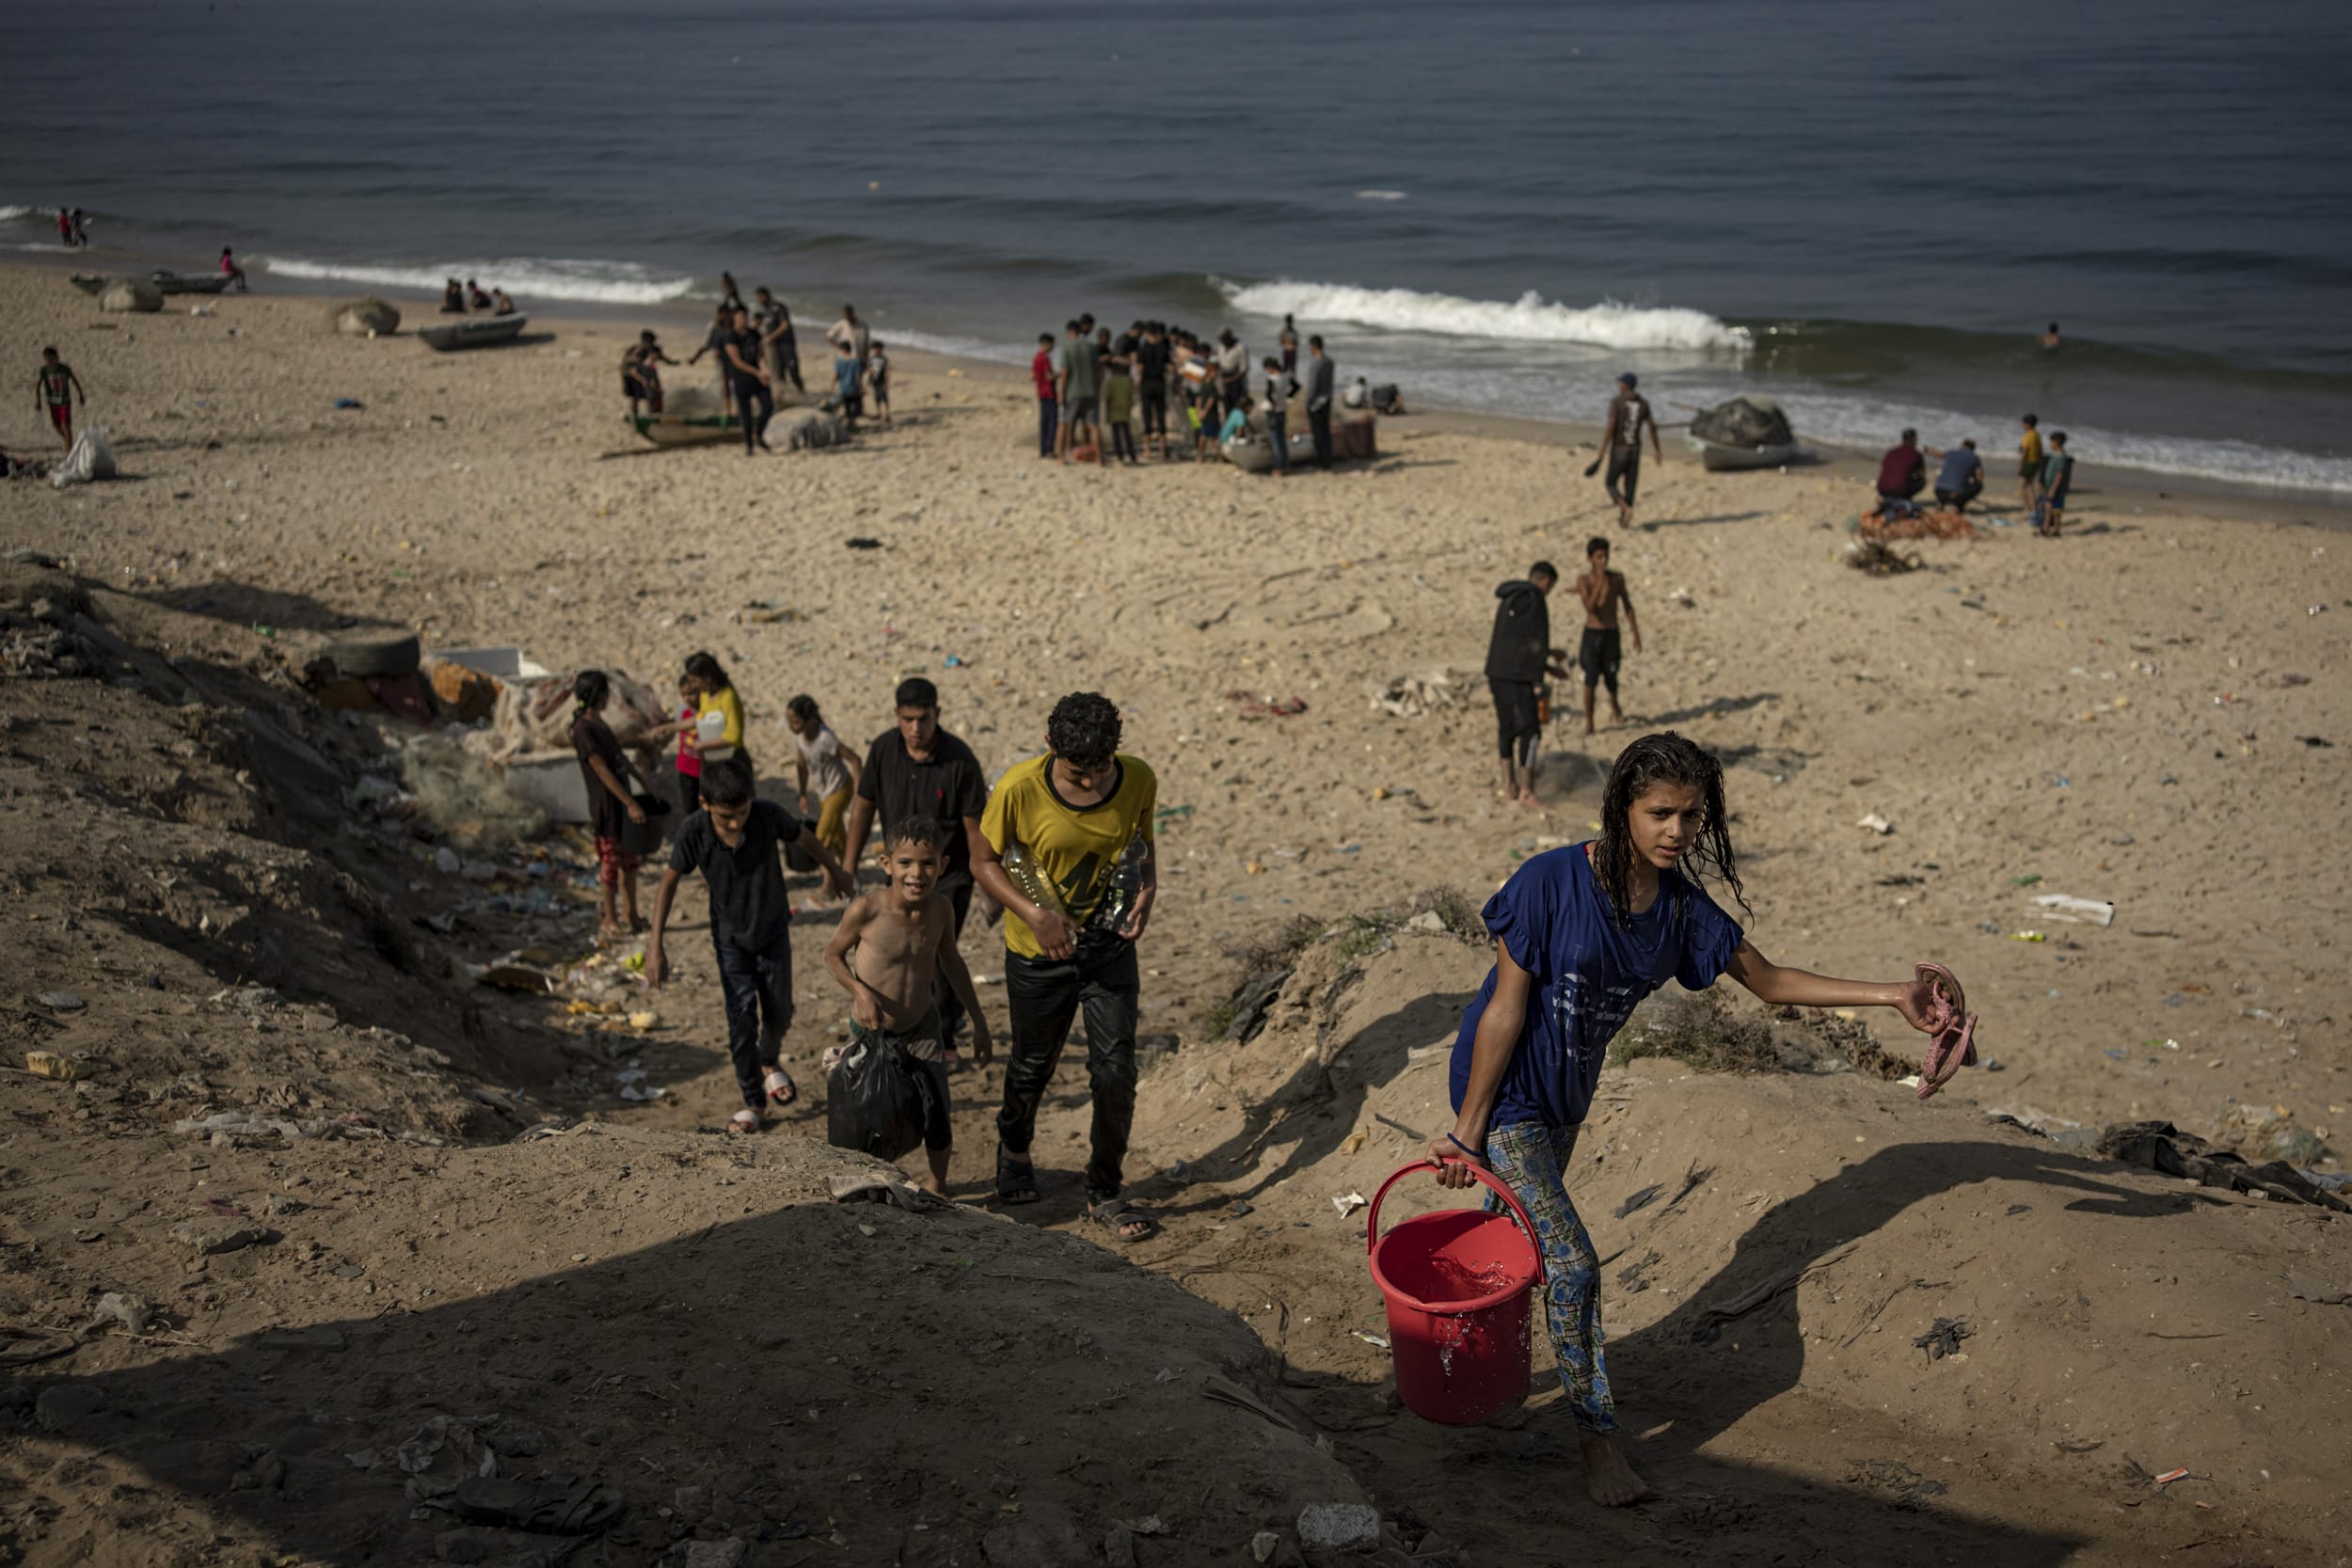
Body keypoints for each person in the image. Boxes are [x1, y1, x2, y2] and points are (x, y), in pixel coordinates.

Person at [1434, 732, 1975, 1506]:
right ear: (1622, 808)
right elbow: (1503, 1010)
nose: (1676, 831)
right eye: (1660, 812)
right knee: (1574, 1264)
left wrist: (1893, 995)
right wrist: (1468, 1126)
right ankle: (1596, 1442)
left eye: (1691, 816)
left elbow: (1773, 982)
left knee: (1512, 1243)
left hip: (1565, 1094)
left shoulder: (1682, 912)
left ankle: (1447, 1381)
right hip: (1504, 1088)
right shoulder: (1547, 883)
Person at [971, 692, 1158, 1239]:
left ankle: (1104, 1188)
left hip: (1109, 950)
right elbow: (982, 861)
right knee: (1032, 1065)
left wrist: (1148, 889)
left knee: (1116, 1069)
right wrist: (1034, 916)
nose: (1090, 784)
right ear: (1050, 747)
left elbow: (1142, 845)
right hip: (1039, 953)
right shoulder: (1017, 788)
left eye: (1101, 771)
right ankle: (1014, 1145)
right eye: (1079, 774)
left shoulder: (1139, 780)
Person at [646, 758, 850, 1134]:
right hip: (730, 941)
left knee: (780, 1009)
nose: (735, 823)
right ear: (706, 804)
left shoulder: (767, 815)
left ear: (752, 801)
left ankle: (769, 1060)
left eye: (741, 812)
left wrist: (835, 870)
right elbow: (668, 882)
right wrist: (654, 945)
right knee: (740, 1018)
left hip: (773, 931)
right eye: (726, 817)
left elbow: (803, 838)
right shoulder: (694, 832)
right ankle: (753, 1099)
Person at [822, 817, 995, 1193]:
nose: (917, 874)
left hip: (922, 1029)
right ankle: (864, 1180)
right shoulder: (866, 911)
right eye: (906, 863)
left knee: (935, 1109)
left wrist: (978, 1021)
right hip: (870, 1032)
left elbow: (952, 962)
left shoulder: (941, 911)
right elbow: (833, 956)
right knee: (866, 1112)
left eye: (928, 863)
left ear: (943, 866)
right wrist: (859, 992)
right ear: (887, 864)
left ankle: (938, 1183)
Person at [841, 676, 993, 1053]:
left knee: (940, 951)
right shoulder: (883, 750)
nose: (915, 728)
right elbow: (862, 807)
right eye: (907, 719)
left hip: (947, 872)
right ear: (896, 715)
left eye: (923, 719)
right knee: (893, 947)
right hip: (900, 870)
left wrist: (988, 879)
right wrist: (847, 866)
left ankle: (944, 1030)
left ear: (937, 715)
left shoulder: (960, 760)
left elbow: (975, 827)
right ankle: (894, 1022)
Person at [569, 671, 650, 945]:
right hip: (607, 805)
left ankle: (631, 914)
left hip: (621, 801)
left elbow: (618, 759)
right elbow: (602, 771)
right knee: (610, 864)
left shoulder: (598, 723)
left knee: (630, 862)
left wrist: (641, 784)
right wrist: (629, 803)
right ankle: (610, 919)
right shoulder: (583, 729)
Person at [1486, 562, 1564, 810]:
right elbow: (1535, 642)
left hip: (1497, 672)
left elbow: (1518, 641)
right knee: (1530, 732)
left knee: (1506, 728)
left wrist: (1549, 660)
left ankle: (1509, 786)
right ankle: (1527, 792)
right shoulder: (1536, 598)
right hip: (1518, 676)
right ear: (1546, 582)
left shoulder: (1511, 597)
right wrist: (1541, 678)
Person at [785, 693, 863, 866]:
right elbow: (802, 766)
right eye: (789, 722)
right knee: (838, 835)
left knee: (822, 835)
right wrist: (803, 793)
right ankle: (848, 869)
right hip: (823, 793)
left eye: (796, 722)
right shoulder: (800, 739)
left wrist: (859, 794)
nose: (792, 727)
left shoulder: (825, 738)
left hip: (840, 788)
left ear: (811, 720)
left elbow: (855, 760)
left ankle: (829, 878)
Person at [1576, 536, 1642, 736]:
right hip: (1592, 634)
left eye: (1606, 556)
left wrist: (1635, 632)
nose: (1603, 560)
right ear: (1590, 559)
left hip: (1611, 633)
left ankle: (1616, 709)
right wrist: (1599, 582)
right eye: (1599, 557)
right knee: (1590, 679)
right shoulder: (1584, 581)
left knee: (1612, 676)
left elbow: (1627, 605)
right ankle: (1589, 721)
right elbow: (1590, 608)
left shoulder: (1617, 579)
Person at [1593, 373, 1661, 528]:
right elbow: (1652, 427)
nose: (1619, 386)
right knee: (1630, 487)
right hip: (1635, 450)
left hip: (1619, 450)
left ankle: (1625, 508)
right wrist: (1657, 450)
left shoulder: (1617, 402)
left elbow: (1611, 426)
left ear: (1625, 385)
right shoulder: (1643, 404)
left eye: (1620, 383)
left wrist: (1603, 449)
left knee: (1610, 483)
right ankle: (1624, 520)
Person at [680, 651, 748, 772]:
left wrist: (702, 745)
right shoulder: (705, 694)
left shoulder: (728, 698)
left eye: (694, 681)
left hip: (731, 762)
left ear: (707, 679)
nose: (692, 686)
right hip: (712, 760)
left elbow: (733, 737)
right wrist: (671, 727)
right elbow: (701, 718)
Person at [722, 306, 773, 454]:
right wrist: (757, 372)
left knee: (767, 406)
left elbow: (760, 354)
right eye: (741, 317)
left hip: (758, 377)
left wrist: (764, 369)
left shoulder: (754, 334)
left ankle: (759, 434)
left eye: (745, 316)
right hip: (742, 378)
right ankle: (749, 446)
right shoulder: (730, 336)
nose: (744, 320)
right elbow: (736, 361)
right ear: (734, 318)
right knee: (746, 413)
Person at [1057, 320, 1102, 465]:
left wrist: (1061, 392)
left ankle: (1061, 456)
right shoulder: (1092, 346)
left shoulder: (1067, 347)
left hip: (1073, 391)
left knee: (1064, 424)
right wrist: (1097, 388)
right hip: (1091, 391)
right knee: (1093, 426)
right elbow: (1097, 372)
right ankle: (1099, 458)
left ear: (1070, 332)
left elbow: (1065, 372)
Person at [687, 303, 739, 415]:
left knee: (735, 384)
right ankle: (728, 410)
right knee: (725, 385)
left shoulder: (732, 326)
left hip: (734, 358)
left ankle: (735, 409)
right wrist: (695, 358)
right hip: (722, 360)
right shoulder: (714, 326)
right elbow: (706, 344)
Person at [34, 348, 86, 451]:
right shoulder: (44, 370)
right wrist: (38, 400)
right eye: (48, 360)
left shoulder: (64, 369)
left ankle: (70, 449)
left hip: (64, 401)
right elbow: (38, 385)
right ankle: (67, 440)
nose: (51, 362)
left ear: (57, 357)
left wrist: (80, 394)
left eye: (53, 359)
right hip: (52, 402)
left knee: (65, 424)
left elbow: (75, 381)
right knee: (56, 425)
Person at [1135, 322, 1172, 460]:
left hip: (1146, 384)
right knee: (1161, 415)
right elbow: (1169, 367)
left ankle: (1148, 450)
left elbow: (1139, 369)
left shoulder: (1142, 349)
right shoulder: (1163, 348)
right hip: (1160, 383)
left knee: (1147, 416)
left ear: (1147, 334)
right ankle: (1163, 449)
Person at [621, 331, 677, 420]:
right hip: (635, 371)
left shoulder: (634, 348)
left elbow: (625, 361)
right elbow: (657, 360)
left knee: (635, 396)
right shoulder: (650, 351)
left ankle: (634, 416)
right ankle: (650, 416)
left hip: (625, 371)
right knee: (649, 394)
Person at [1302, 335, 1336, 467]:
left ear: (1314, 346)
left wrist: (1307, 402)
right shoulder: (1329, 362)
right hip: (1327, 399)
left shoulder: (1315, 363)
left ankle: (1322, 461)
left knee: (1318, 433)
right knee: (1326, 431)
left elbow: (1312, 386)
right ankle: (1328, 459)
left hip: (1316, 403)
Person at [1875, 428, 1928, 510]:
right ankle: (1905, 498)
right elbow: (1922, 473)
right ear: (1914, 439)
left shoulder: (1891, 452)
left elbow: (1884, 469)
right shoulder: (1916, 454)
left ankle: (1891, 499)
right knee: (1922, 481)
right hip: (1898, 490)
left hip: (1881, 489)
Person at [1103, 349, 1139, 466]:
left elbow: (1107, 398)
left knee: (1116, 435)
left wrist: (1106, 412)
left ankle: (1120, 456)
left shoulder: (1110, 382)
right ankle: (1132, 455)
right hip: (1125, 410)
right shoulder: (1127, 380)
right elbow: (1131, 397)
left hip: (1114, 411)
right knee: (1127, 434)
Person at [2038, 432, 2074, 538]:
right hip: (2050, 487)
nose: (2050, 444)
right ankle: (2046, 529)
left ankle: (2056, 530)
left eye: (2052, 442)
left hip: (2056, 489)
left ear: (2057, 443)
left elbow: (2059, 475)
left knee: (2056, 511)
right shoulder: (2055, 456)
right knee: (2048, 509)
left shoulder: (2061, 458)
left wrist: (2053, 489)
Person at [1260, 356, 1291, 477]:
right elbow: (1295, 387)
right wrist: (1287, 398)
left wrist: (1272, 404)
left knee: (1275, 440)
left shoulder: (1271, 379)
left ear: (1270, 367)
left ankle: (1277, 467)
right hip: (1282, 410)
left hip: (1273, 411)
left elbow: (1268, 395)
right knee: (1282, 440)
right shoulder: (1284, 377)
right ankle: (1286, 466)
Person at [1933, 439, 1984, 511]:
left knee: (1939, 474)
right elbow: (1979, 478)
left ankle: (1941, 502)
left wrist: (1926, 449)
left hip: (1939, 491)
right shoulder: (1974, 458)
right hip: (1958, 495)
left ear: (1962, 445)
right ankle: (1959, 505)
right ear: (1973, 448)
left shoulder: (1951, 453)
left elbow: (1939, 454)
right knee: (1979, 485)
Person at [1030, 332, 1058, 459]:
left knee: (1044, 422)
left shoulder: (1036, 358)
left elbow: (1033, 376)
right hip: (1048, 393)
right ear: (1047, 343)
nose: (1053, 347)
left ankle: (1043, 449)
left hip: (1041, 392)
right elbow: (1048, 376)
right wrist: (1059, 374)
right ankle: (1049, 450)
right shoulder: (1045, 358)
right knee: (1051, 422)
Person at [1214, 328, 1249, 425]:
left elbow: (1243, 369)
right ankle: (1229, 428)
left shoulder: (1240, 347)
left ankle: (1239, 431)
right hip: (1223, 377)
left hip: (1236, 380)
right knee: (1225, 405)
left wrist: (1230, 379)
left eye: (1224, 339)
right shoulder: (1221, 347)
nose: (1222, 342)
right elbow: (1217, 361)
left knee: (1238, 406)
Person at [826, 305, 871, 369]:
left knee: (857, 377)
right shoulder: (841, 324)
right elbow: (829, 336)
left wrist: (866, 359)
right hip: (844, 358)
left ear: (852, 313)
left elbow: (866, 344)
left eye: (848, 314)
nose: (847, 317)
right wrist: (838, 347)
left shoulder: (863, 325)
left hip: (858, 357)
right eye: (845, 315)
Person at [2017, 413, 2044, 515]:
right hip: (2035, 462)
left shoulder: (2027, 436)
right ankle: (2034, 508)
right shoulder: (2037, 435)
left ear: (2028, 424)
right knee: (2030, 486)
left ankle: (2027, 509)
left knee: (2023, 486)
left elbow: (2025, 452)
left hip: (2028, 463)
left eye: (2023, 423)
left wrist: (2020, 466)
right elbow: (2040, 451)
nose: (2022, 425)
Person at [867, 341, 892, 425]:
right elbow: (869, 368)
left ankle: (887, 414)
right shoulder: (871, 358)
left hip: (882, 381)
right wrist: (869, 377)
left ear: (880, 349)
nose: (875, 350)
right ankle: (879, 412)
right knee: (876, 397)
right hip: (874, 381)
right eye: (873, 349)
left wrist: (886, 382)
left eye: (876, 349)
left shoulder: (884, 359)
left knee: (884, 397)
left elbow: (886, 371)